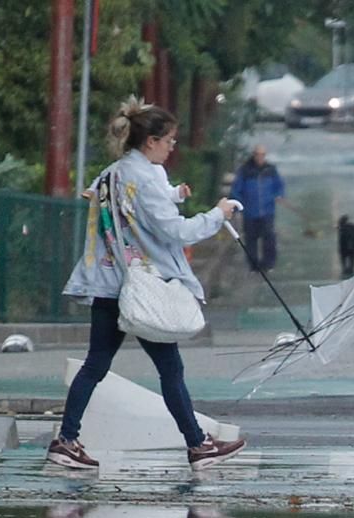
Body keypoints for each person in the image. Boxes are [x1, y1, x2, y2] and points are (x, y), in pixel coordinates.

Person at [52, 96, 246, 472]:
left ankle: (67, 440)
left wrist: (172, 194)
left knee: (96, 365)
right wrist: (217, 214)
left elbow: (126, 211)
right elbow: (176, 231)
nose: (173, 148)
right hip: (141, 288)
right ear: (151, 141)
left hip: (109, 282)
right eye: (170, 140)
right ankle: (197, 445)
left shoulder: (114, 172)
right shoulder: (143, 177)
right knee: (170, 370)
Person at [230, 144, 285, 271]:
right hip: (250, 212)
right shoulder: (244, 171)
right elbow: (236, 190)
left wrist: (279, 195)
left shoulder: (271, 170)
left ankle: (269, 264)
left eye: (262, 155)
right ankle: (253, 265)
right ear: (253, 155)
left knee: (269, 237)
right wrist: (238, 205)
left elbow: (279, 186)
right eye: (258, 155)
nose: (260, 157)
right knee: (251, 239)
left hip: (267, 211)